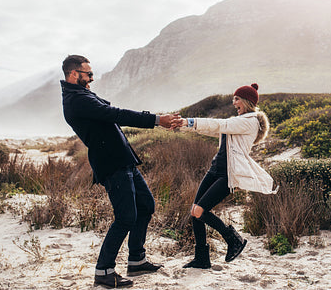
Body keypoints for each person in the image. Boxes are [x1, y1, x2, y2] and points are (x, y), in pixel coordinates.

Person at [60, 55, 178, 288]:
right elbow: (117, 114)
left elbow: (112, 115)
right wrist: (156, 120)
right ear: (74, 74)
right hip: (111, 163)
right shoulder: (76, 100)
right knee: (125, 217)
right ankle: (104, 271)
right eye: (88, 74)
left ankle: (136, 259)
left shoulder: (83, 95)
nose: (92, 78)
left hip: (124, 160)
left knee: (146, 206)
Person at [173, 83, 278, 269]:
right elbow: (215, 129)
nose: (234, 102)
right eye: (233, 99)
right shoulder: (239, 120)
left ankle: (233, 240)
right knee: (194, 212)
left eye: (237, 99)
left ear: (247, 101)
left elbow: (220, 124)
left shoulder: (250, 121)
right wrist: (184, 126)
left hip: (227, 175)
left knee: (200, 211)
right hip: (215, 170)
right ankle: (202, 259)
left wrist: (189, 121)